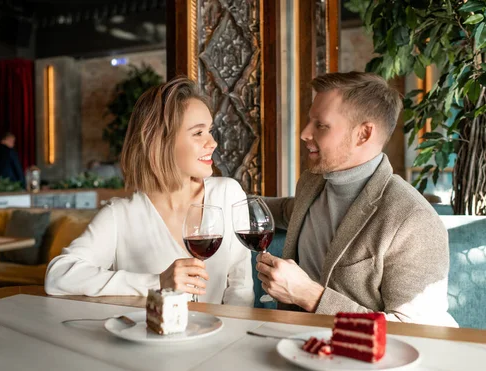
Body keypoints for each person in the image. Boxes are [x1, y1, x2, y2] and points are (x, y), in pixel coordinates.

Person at [259, 72, 457, 327]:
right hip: (294, 345)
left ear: (364, 134)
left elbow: (414, 332)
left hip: (367, 362)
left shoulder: (414, 220)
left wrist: (310, 296)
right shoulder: (313, 182)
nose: (305, 133)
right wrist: (219, 194)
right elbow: (288, 210)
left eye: (320, 125)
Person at [45, 77, 254, 306]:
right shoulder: (121, 215)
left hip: (219, 338)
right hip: (152, 340)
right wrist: (157, 282)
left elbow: (240, 288)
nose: (212, 143)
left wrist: (235, 336)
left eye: (210, 131)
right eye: (198, 133)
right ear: (161, 141)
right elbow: (58, 276)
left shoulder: (228, 194)